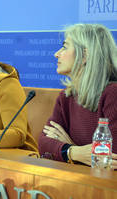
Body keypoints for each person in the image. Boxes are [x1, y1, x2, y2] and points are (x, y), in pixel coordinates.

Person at [38, 24, 117, 168]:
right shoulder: (66, 97)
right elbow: (43, 143)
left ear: (85, 55)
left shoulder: (113, 94)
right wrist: (73, 151)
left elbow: (111, 158)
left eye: (65, 47)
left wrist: (68, 146)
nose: (56, 54)